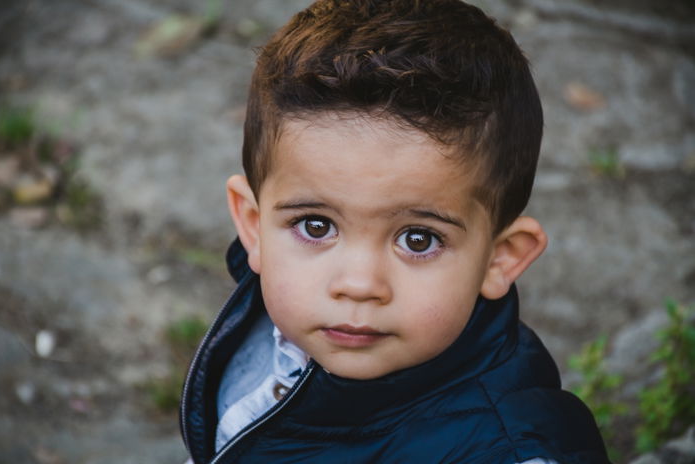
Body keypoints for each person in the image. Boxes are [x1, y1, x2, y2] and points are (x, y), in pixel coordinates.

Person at [179, 0, 610, 462]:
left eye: (418, 239)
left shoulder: (510, 451)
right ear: (254, 226)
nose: (359, 285)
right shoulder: (268, 324)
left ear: (500, 257)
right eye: (316, 225)